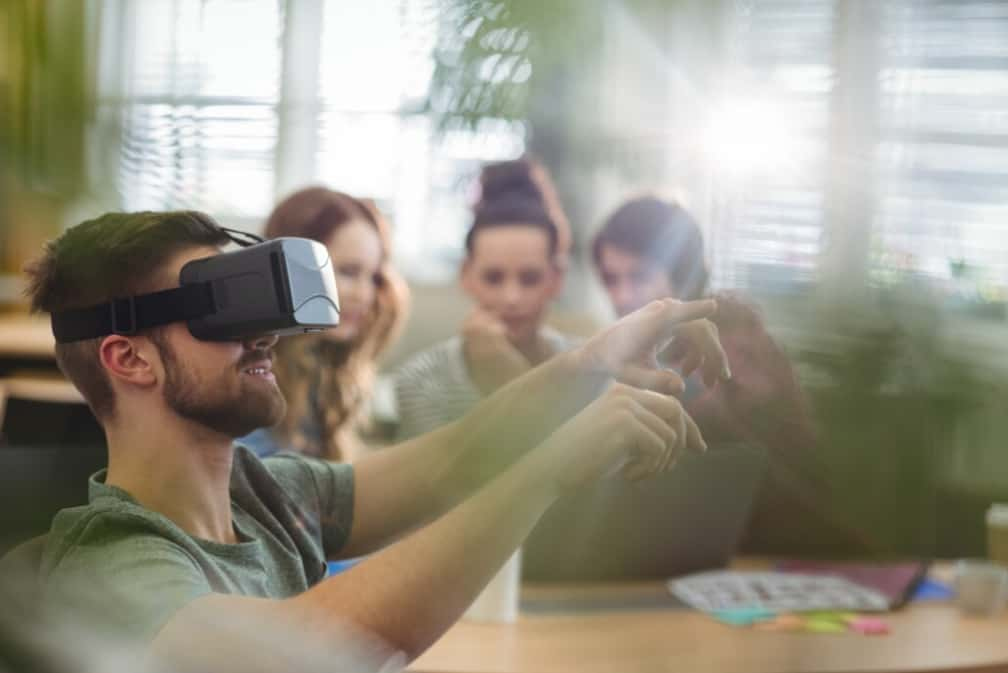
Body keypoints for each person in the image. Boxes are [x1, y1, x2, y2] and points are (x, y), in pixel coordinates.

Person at [9, 210, 729, 664]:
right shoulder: (111, 561)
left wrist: (594, 359)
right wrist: (548, 468)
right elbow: (303, 648)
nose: (266, 333)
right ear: (128, 358)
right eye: (218, 310)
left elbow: (454, 458)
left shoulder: (266, 494)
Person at [592, 195, 873, 555]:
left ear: (683, 273)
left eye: (640, 276)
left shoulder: (731, 340)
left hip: (774, 549)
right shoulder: (639, 351)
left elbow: (765, 476)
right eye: (611, 280)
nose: (622, 296)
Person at [394, 158, 574, 440]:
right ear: (466, 275)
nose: (511, 298)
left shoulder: (592, 369)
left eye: (529, 279)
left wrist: (509, 375)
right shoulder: (421, 379)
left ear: (556, 279)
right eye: (493, 278)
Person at [238, 187, 408, 461]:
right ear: (289, 267)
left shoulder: (322, 367)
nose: (365, 295)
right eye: (349, 272)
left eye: (373, 277)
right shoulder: (247, 380)